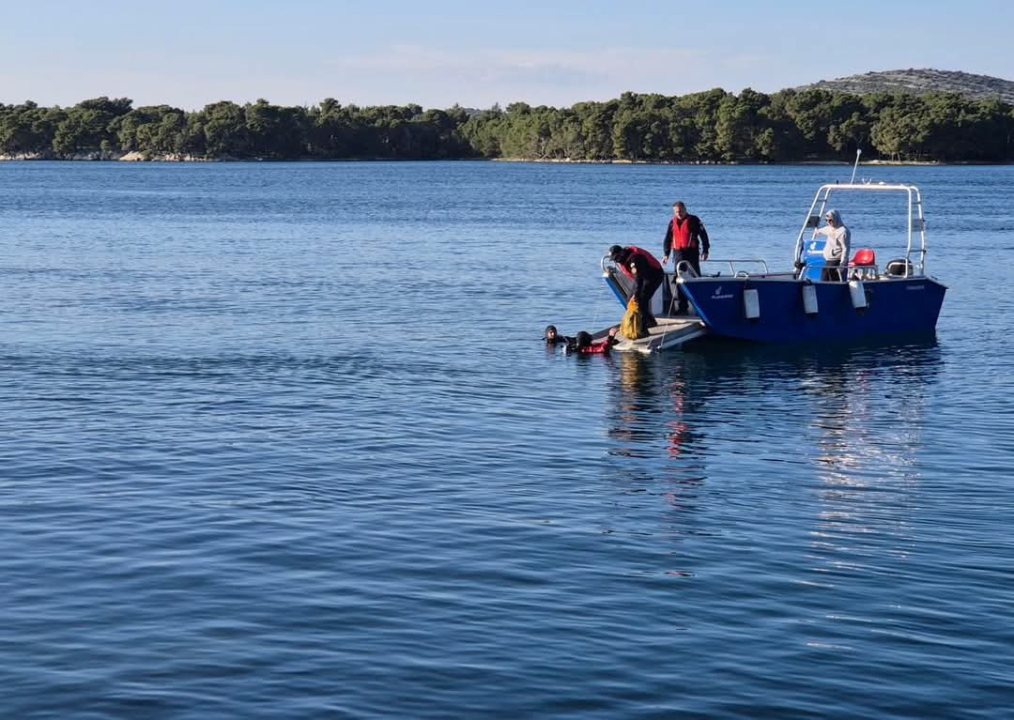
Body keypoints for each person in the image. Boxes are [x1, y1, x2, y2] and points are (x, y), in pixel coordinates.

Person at [662, 201, 710, 314]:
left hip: (692, 253)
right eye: (676, 212)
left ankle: (701, 307)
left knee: (695, 278)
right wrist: (666, 254)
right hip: (678, 253)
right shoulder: (672, 223)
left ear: (685, 209)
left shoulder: (694, 220)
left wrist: (705, 250)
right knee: (679, 280)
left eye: (680, 211)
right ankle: (682, 308)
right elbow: (667, 239)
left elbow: (704, 235)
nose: (679, 214)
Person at [608, 245, 664, 329]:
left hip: (653, 276)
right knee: (629, 299)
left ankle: (646, 323)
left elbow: (639, 280)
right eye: (614, 259)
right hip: (642, 276)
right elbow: (638, 279)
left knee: (641, 299)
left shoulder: (635, 260)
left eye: (616, 258)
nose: (616, 261)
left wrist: (635, 295)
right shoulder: (625, 258)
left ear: (621, 254)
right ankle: (645, 320)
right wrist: (632, 296)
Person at [814, 209, 851, 281]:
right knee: (823, 278)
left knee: (833, 279)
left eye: (830, 220)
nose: (828, 222)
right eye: (826, 220)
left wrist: (842, 264)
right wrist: (817, 232)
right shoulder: (829, 228)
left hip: (837, 260)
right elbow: (822, 230)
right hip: (828, 260)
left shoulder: (843, 232)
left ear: (836, 219)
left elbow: (845, 248)